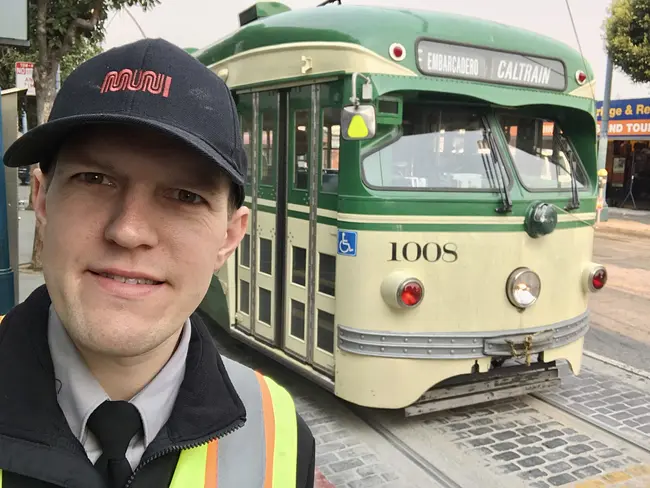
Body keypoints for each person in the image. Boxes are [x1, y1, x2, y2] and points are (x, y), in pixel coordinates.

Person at [0, 38, 315, 488]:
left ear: (229, 236)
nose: (128, 231)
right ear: (42, 202)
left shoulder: (278, 433)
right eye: (95, 179)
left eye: (185, 196)